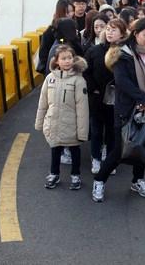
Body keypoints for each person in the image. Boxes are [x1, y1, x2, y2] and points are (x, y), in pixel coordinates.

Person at [92, 18, 145, 202]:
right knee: (119, 150)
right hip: (126, 109)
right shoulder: (122, 54)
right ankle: (99, 180)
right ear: (135, 34)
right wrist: (142, 99)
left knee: (143, 146)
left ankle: (138, 180)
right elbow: (122, 81)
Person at [35, 45, 89, 190]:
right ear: (56, 61)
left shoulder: (78, 81)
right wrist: (39, 123)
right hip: (53, 123)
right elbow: (43, 103)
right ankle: (54, 174)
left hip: (71, 124)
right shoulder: (50, 79)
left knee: (74, 150)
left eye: (69, 58)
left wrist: (82, 132)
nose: (67, 61)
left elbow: (82, 109)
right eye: (63, 58)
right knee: (55, 149)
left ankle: (75, 175)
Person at [84, 18, 128, 174]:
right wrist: (93, 89)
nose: (109, 32)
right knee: (96, 131)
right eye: (108, 29)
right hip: (97, 98)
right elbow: (86, 72)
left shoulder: (126, 52)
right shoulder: (94, 51)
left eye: (114, 30)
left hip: (117, 99)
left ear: (122, 34)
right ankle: (96, 158)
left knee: (112, 132)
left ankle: (109, 159)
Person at [37, 0, 74, 75]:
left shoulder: (73, 28)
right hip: (54, 73)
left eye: (72, 11)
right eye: (67, 12)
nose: (70, 14)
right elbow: (43, 55)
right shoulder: (50, 32)